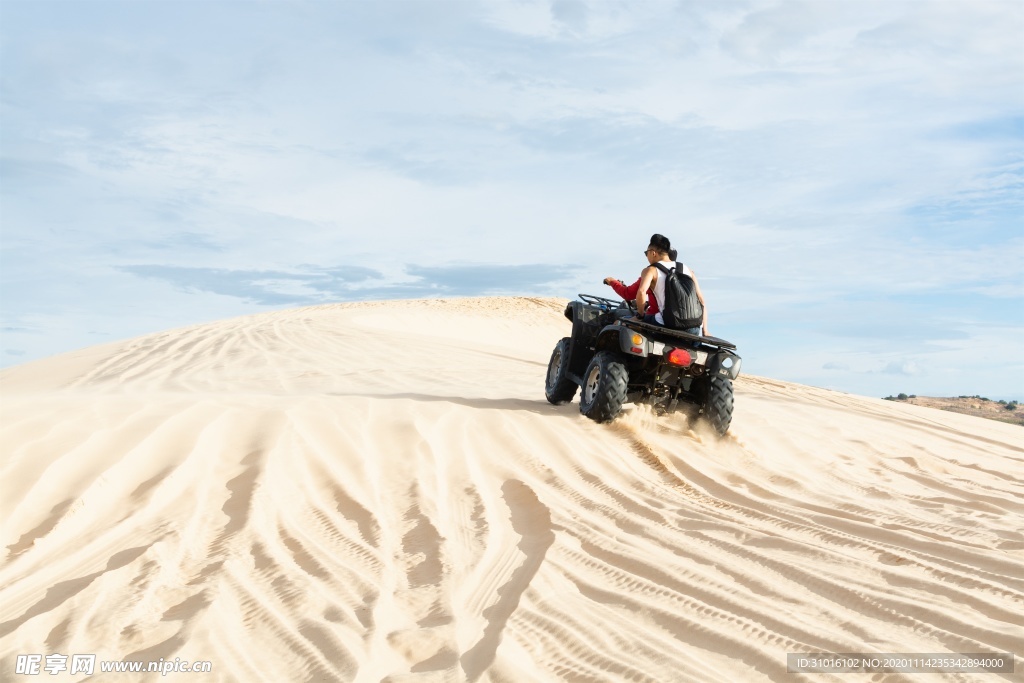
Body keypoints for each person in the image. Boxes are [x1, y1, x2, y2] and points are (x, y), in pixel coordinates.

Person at [635, 234, 708, 336]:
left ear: (653, 253)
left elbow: (642, 292)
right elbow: (701, 300)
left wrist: (640, 315)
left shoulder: (650, 270)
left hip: (668, 324)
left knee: (624, 321)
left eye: (646, 253)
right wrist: (705, 331)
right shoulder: (687, 269)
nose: (647, 256)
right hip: (694, 328)